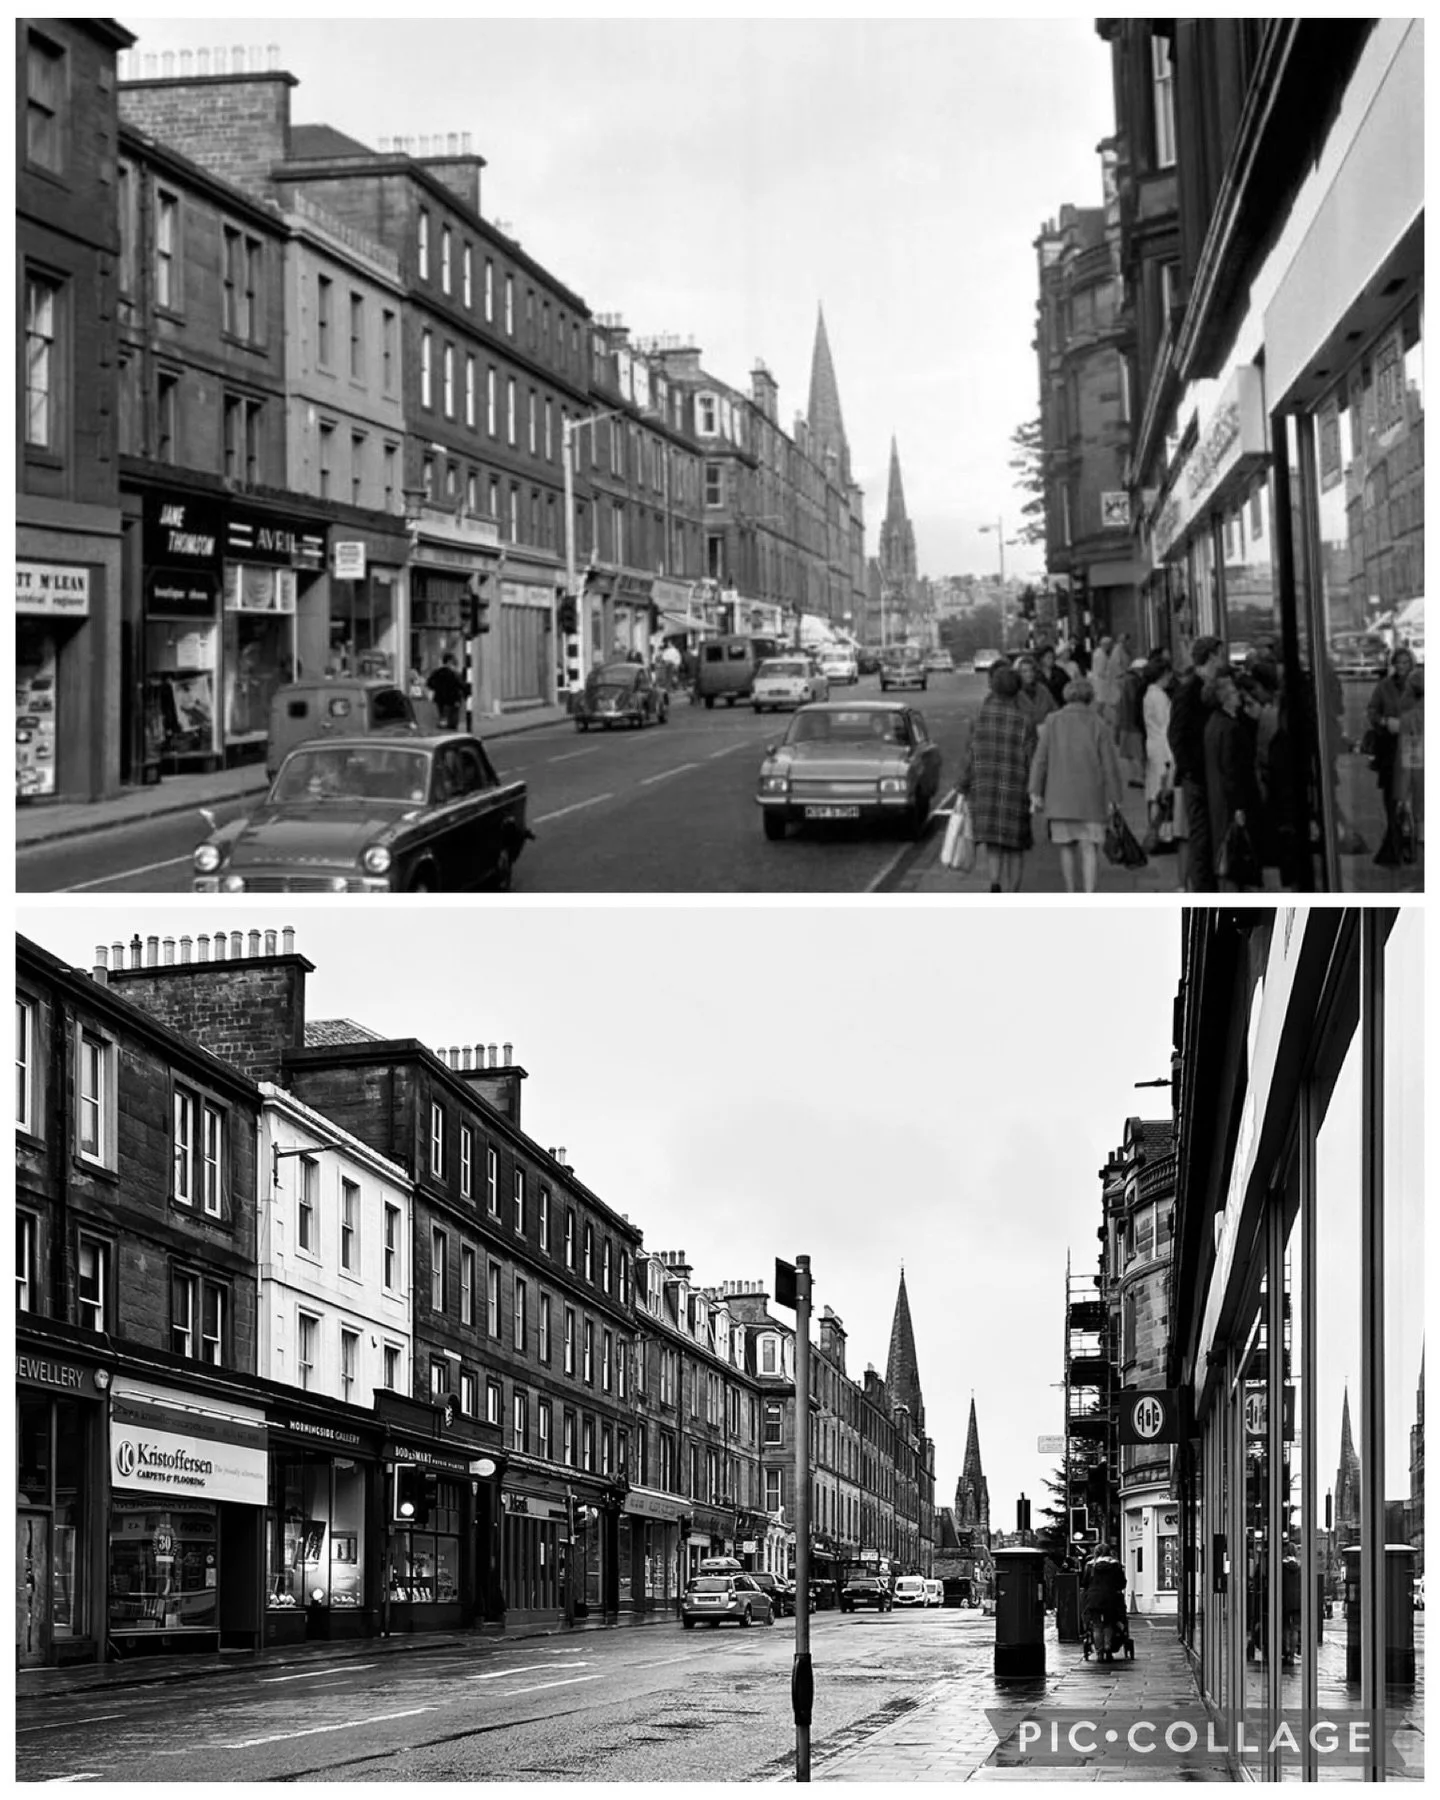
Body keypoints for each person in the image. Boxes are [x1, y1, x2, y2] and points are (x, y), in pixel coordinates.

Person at [1028, 676, 1125, 893]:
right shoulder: (1098, 723)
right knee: (1089, 848)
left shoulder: (1052, 721)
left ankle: (1071, 892)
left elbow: (1040, 759)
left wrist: (1035, 790)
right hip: (1091, 798)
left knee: (1066, 848)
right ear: (1089, 698)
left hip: (1060, 797)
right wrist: (1115, 797)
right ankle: (1089, 894)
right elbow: (1109, 764)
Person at [958, 665, 1036, 893]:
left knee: (993, 844)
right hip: (1015, 788)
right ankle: (1012, 892)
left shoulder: (979, 718)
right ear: (1017, 691)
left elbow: (970, 755)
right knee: (1015, 847)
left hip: (985, 788)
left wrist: (963, 785)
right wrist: (1036, 791)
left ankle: (995, 883)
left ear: (994, 688)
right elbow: (1032, 759)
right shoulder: (1025, 721)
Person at [1167, 635, 1226, 891]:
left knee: (1209, 834)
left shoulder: (1210, 686)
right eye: (1220, 654)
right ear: (1212, 656)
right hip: (1197, 775)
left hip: (1209, 772)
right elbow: (1176, 734)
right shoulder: (1189, 690)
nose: (1222, 660)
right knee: (1200, 836)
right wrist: (1190, 768)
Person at [1204, 672, 1264, 891]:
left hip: (1221, 799)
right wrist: (1238, 806)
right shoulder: (1229, 728)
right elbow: (1232, 769)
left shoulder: (1217, 723)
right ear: (1224, 697)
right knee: (1236, 853)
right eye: (1232, 691)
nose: (1237, 694)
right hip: (1234, 799)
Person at [1367, 647, 1421, 866]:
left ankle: (1409, 843)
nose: (1402, 667)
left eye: (1406, 663)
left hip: (1414, 743)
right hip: (1390, 746)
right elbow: (1372, 711)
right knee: (1392, 796)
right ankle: (1395, 845)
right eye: (1398, 663)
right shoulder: (1384, 687)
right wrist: (1382, 722)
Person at [1081, 1542, 1127, 1662]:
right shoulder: (1116, 1565)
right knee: (1109, 1623)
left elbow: (1084, 1583)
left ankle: (1099, 1652)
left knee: (1096, 1625)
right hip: (1111, 1598)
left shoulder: (1090, 1566)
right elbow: (1121, 1583)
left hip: (1094, 1598)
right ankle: (1108, 1647)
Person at [1015, 652, 1057, 733]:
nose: (1029, 674)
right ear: (1019, 673)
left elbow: (1054, 708)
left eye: (1031, 670)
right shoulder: (1015, 692)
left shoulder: (1042, 689)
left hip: (1045, 732)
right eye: (1024, 671)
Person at [426, 653, 465, 730]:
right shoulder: (454, 674)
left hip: (440, 700)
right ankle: (451, 736)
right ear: (449, 662)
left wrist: (437, 689)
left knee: (442, 718)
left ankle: (442, 732)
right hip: (452, 700)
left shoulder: (436, 673)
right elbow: (461, 685)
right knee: (452, 721)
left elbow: (429, 684)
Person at [1037, 644, 1070, 710]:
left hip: (1060, 706)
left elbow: (1068, 687)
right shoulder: (1036, 673)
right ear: (1041, 659)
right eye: (1048, 657)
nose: (1051, 660)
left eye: (1052, 657)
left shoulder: (1060, 672)